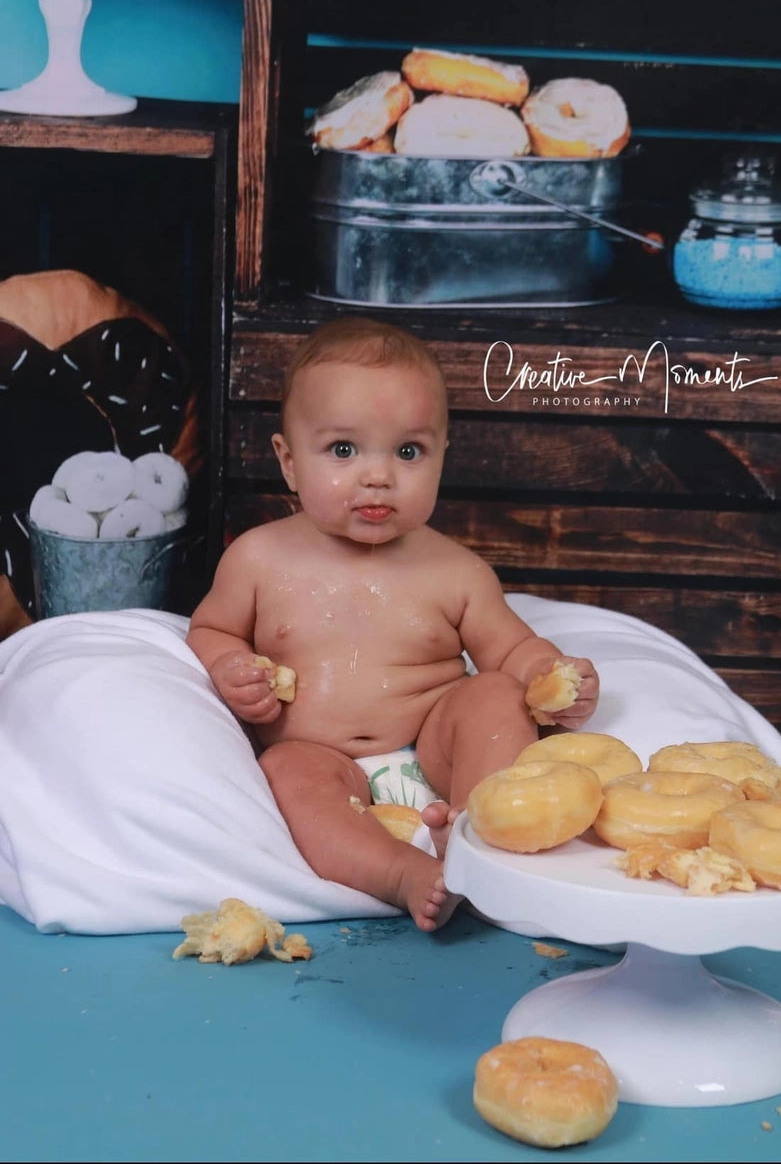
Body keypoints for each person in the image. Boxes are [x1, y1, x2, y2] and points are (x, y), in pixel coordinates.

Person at [187, 318, 599, 932]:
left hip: (434, 751)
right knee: (288, 774)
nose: (378, 475)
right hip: (320, 756)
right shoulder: (257, 558)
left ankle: (478, 834)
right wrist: (230, 668)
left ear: (441, 457)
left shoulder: (456, 571)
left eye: (408, 451)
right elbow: (210, 628)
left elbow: (509, 647)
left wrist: (550, 676)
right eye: (344, 450)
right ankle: (402, 872)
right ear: (289, 461)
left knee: (495, 695)